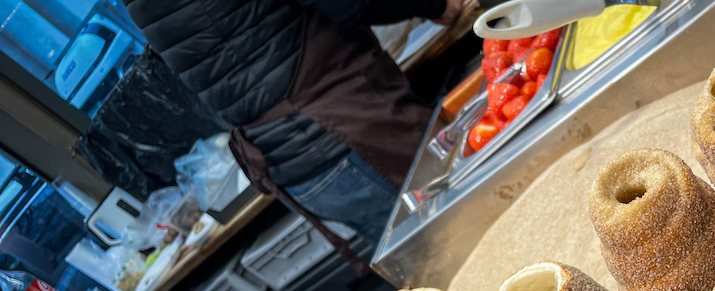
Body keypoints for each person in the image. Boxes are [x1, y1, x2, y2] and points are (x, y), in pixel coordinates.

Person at [122, 0, 463, 256]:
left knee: (439, 274)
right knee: (466, 245)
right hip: (343, 134)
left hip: (303, 163)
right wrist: (435, 4)